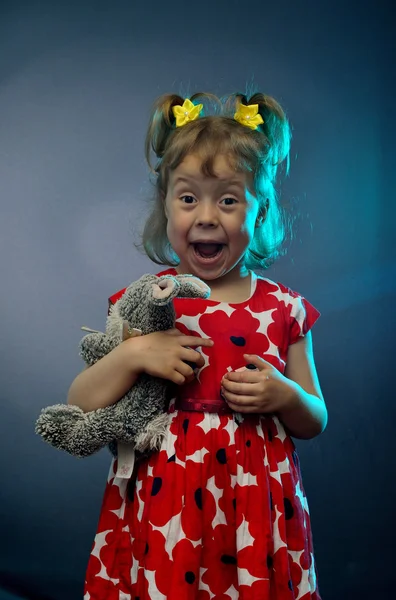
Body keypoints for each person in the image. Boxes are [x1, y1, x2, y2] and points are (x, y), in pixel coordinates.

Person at [68, 91, 327, 599]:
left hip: (254, 505)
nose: (206, 216)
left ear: (261, 209)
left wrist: (286, 396)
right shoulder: (146, 304)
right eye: (188, 198)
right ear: (165, 205)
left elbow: (315, 417)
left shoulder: (285, 309)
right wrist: (133, 354)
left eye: (228, 200)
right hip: (167, 501)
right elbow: (81, 404)